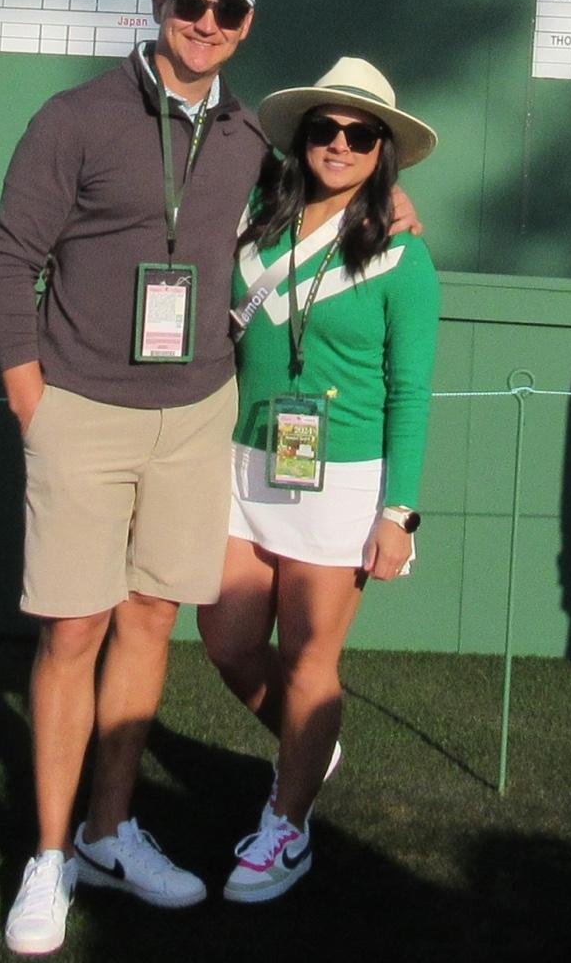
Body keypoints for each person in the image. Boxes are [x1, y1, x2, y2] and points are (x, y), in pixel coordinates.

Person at [0, 0, 268, 955]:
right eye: (192, 3)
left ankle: (111, 832)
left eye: (225, 11)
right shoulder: (76, 118)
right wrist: (35, 404)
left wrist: (391, 201)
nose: (205, 24)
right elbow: (11, 261)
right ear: (160, 5)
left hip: (195, 414)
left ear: (245, 27)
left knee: (149, 621)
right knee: (73, 632)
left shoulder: (248, 135)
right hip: (83, 409)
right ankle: (49, 855)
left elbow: (317, 206)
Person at [197, 57, 440, 903]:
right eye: (325, 129)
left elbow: (411, 391)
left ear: (382, 152)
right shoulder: (255, 220)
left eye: (360, 134)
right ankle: (312, 745)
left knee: (310, 660)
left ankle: (288, 824)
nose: (340, 144)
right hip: (244, 462)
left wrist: (399, 513)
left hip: (342, 484)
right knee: (227, 642)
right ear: (302, 138)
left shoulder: (404, 255)